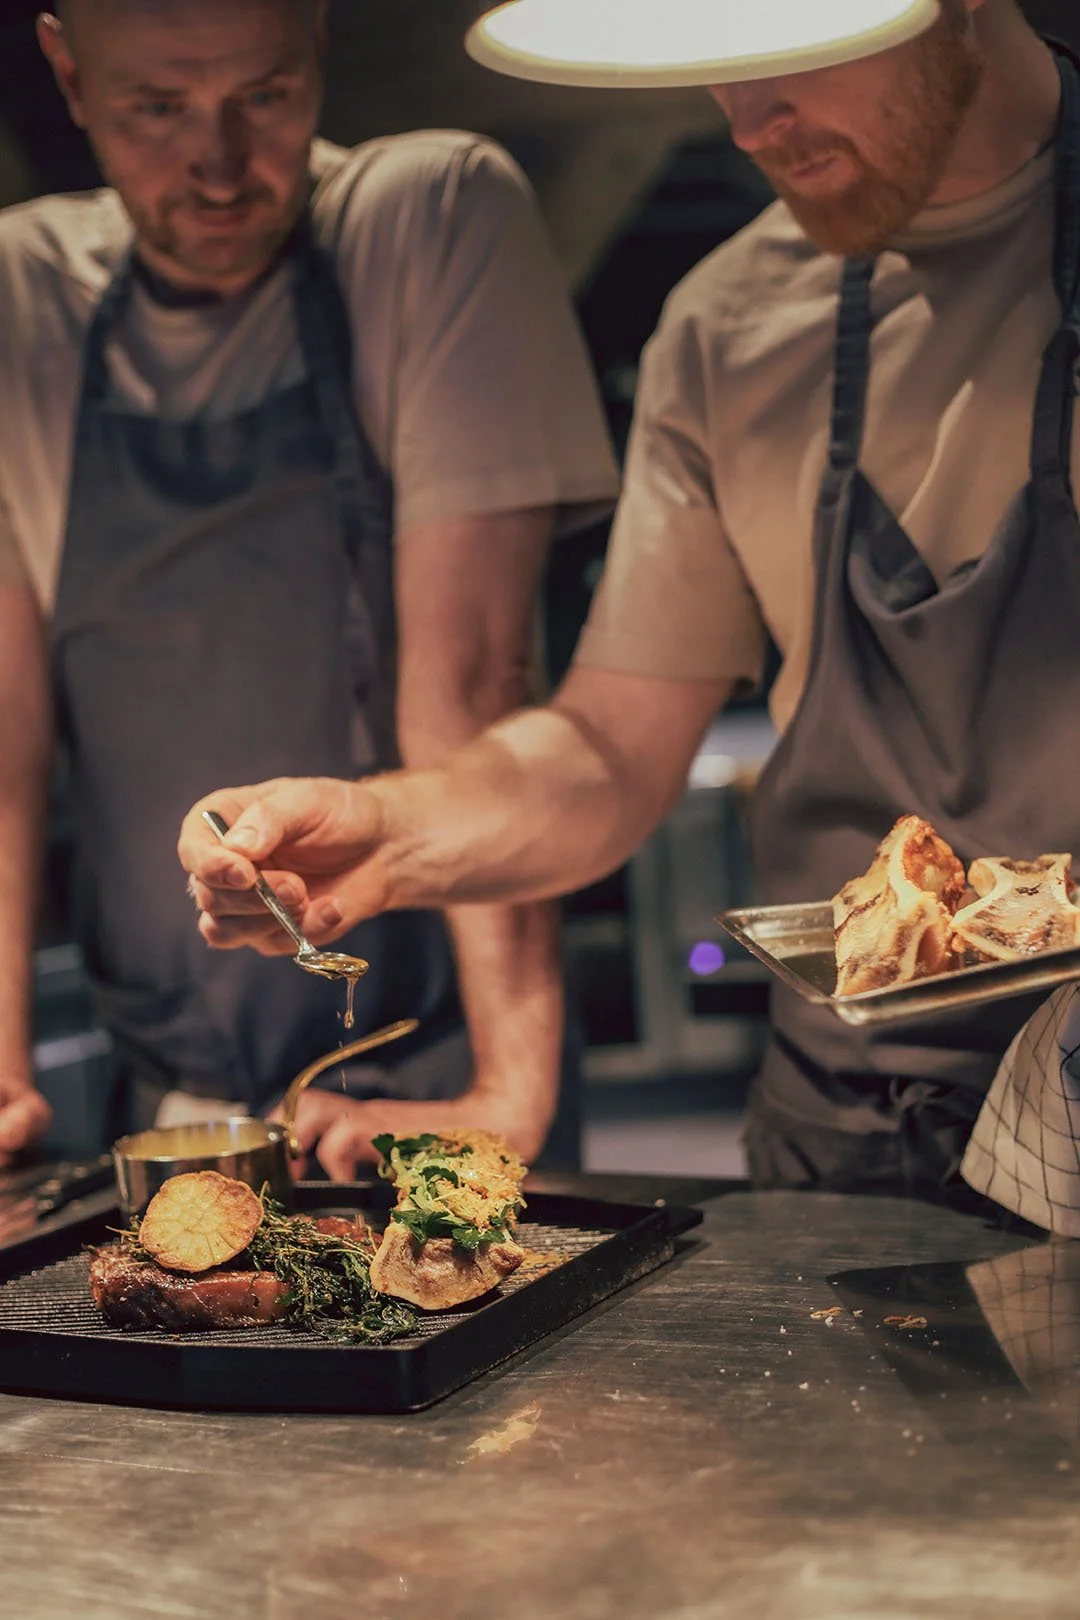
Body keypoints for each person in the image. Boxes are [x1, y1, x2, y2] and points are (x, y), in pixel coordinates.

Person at [182, 0, 1080, 1195]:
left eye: (790, 49)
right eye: (718, 70)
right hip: (849, 1141)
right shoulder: (731, 326)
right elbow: (609, 747)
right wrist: (390, 839)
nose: (749, 120)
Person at [0, 0, 619, 1171]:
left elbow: (477, 674)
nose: (221, 165)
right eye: (156, 109)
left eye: (265, 98)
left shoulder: (427, 214)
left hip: (428, 1075)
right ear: (67, 73)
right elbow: (6, 738)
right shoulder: (23, 293)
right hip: (168, 1095)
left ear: (321, 42)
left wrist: (508, 1092)